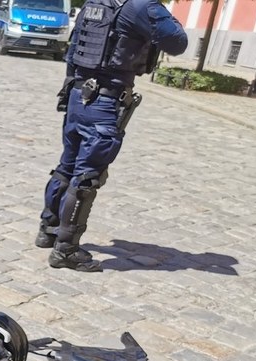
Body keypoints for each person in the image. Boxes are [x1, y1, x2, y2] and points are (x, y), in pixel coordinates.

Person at [37, 0, 187, 271]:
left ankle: (48, 229)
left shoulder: (96, 3)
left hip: (77, 94)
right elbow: (178, 43)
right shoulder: (141, 6)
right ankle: (66, 250)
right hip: (104, 102)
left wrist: (69, 90)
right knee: (86, 177)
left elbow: (74, 50)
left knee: (66, 166)